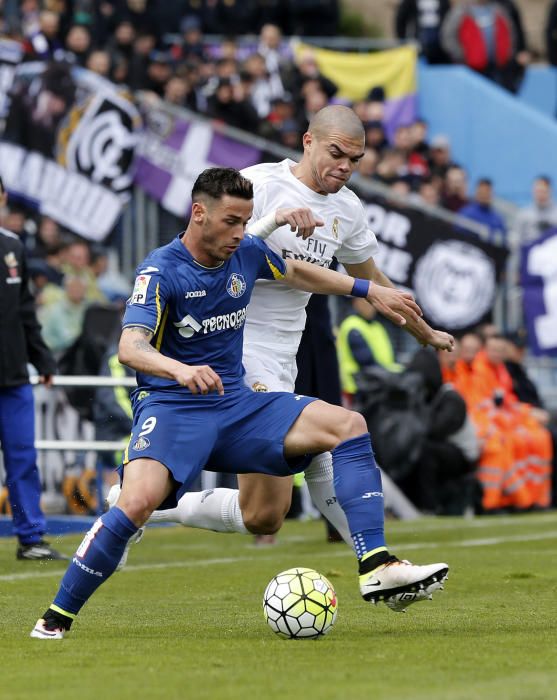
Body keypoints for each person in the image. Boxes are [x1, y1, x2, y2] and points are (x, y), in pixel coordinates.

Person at [31, 167, 451, 639]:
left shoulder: (246, 249)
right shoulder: (159, 270)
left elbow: (293, 270)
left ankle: (376, 564)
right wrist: (180, 369)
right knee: (136, 504)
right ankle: (54, 620)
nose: (239, 233)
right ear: (198, 214)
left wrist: (366, 288)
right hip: (174, 406)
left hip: (236, 403)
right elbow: (131, 346)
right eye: (231, 221)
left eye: (245, 221)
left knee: (344, 429)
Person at [122, 105, 453, 553]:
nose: (345, 167)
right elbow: (234, 253)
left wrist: (424, 332)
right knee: (326, 439)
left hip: (285, 352)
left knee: (264, 513)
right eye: (337, 153)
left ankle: (135, 506)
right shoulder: (260, 184)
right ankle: (377, 562)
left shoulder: (348, 209)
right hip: (237, 346)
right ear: (308, 141)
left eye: (355, 160)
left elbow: (376, 281)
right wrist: (277, 222)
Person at [0, 177, 65, 561]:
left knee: (23, 458)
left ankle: (31, 538)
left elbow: (26, 310)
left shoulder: (13, 248)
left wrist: (42, 358)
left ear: (4, 198)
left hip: (12, 378)